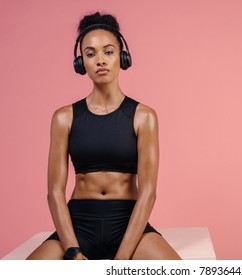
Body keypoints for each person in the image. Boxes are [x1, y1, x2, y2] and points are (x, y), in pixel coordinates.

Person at [26, 11, 181, 260]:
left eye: (108, 52)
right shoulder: (64, 117)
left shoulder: (145, 117)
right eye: (90, 53)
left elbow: (148, 191)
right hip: (78, 225)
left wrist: (120, 262)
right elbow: (54, 192)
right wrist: (73, 251)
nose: (101, 60)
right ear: (81, 63)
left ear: (122, 56)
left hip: (127, 224)